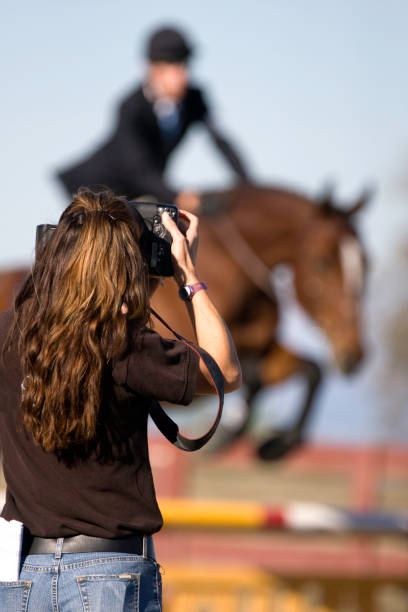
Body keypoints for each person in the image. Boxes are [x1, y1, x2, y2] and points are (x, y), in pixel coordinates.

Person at [0, 187, 241, 611]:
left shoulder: (7, 336)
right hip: (111, 575)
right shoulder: (129, 347)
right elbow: (226, 371)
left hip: (24, 576)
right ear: (126, 268)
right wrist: (186, 274)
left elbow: (57, 314)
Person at [57, 26, 250, 213]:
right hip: (99, 189)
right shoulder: (129, 107)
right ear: (153, 70)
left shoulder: (195, 98)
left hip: (147, 189)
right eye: (175, 67)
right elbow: (137, 169)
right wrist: (177, 195)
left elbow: (220, 140)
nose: (184, 76)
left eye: (185, 66)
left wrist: (248, 184)